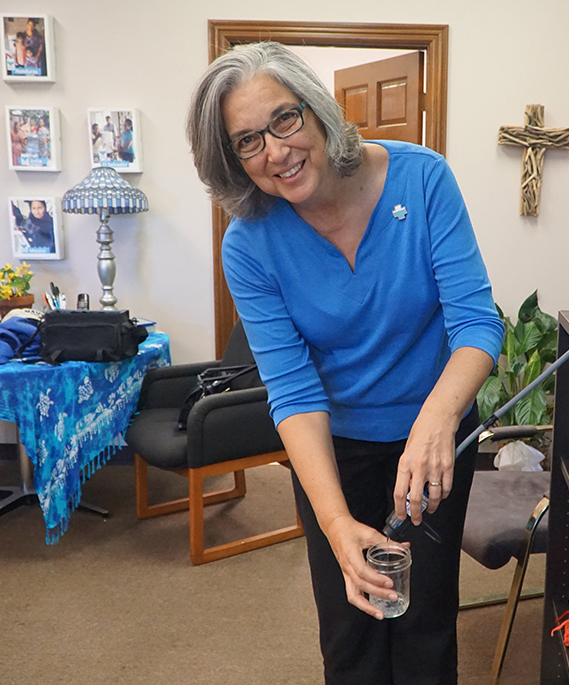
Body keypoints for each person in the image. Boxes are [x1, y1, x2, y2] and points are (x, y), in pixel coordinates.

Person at [186, 41, 504, 685]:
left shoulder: (424, 179)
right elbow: (294, 390)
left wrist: (436, 422)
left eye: (283, 119)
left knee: (424, 620)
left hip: (435, 435)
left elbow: (476, 324)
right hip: (335, 448)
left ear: (319, 109)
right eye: (247, 142)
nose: (275, 151)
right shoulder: (248, 246)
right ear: (234, 161)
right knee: (350, 625)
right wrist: (334, 523)